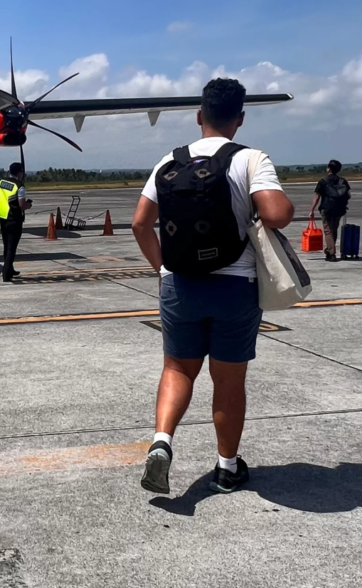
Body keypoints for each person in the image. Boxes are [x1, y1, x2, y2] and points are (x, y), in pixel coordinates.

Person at [130, 78, 295, 495]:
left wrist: (162, 270)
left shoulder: (169, 160)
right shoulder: (251, 158)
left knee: (177, 369)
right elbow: (277, 214)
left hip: (180, 284)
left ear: (199, 115)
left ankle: (162, 442)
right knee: (228, 380)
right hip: (235, 286)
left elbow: (140, 223)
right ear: (240, 118)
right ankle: (227, 468)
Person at [0, 162, 32, 282]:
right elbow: (21, 205)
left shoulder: (1, 182)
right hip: (14, 219)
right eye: (22, 172)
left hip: (3, 218)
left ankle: (10, 269)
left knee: (6, 246)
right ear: (19, 173)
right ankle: (6, 273)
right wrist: (28, 205)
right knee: (12, 248)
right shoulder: (19, 187)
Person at [309, 160, 351, 262]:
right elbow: (348, 195)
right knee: (334, 230)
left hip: (327, 209)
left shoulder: (323, 181)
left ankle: (332, 253)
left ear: (329, 169)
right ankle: (329, 250)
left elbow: (317, 197)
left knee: (328, 231)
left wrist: (312, 210)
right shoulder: (342, 181)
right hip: (339, 209)